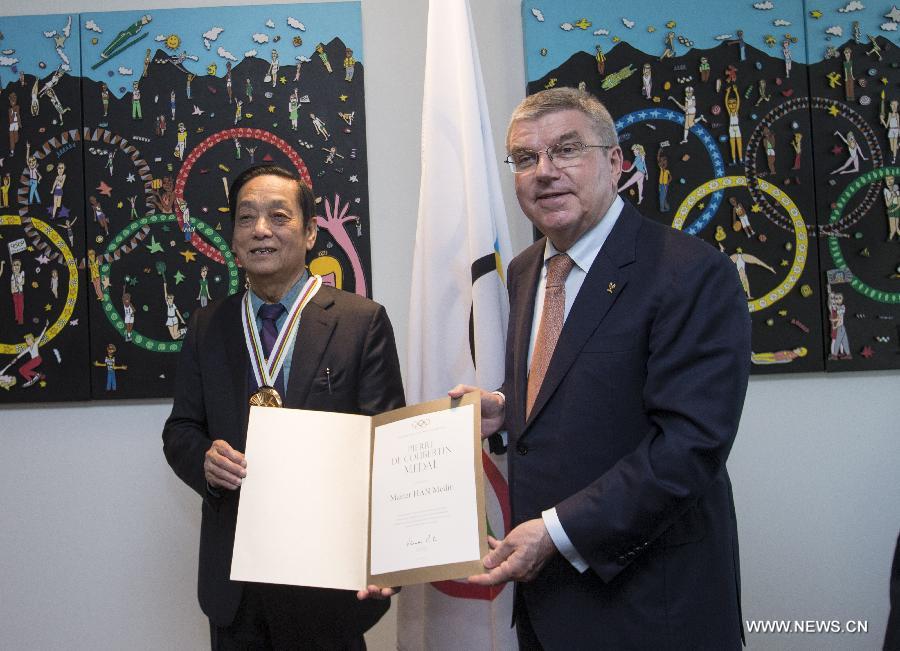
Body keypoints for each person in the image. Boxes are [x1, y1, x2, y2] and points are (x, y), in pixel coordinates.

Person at [454, 88, 751, 649]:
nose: (544, 172)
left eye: (566, 149)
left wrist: (557, 533)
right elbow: (571, 378)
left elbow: (690, 443)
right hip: (546, 606)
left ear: (616, 162)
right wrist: (506, 405)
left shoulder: (690, 273)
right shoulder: (524, 271)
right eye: (525, 158)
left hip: (648, 606)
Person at [162, 164, 404, 649]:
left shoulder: (362, 322)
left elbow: (389, 447)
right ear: (233, 238)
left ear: (311, 232)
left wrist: (390, 557)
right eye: (246, 218)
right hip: (235, 585)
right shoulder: (208, 325)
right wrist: (205, 460)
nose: (261, 230)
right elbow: (180, 430)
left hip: (328, 580)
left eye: (278, 216)